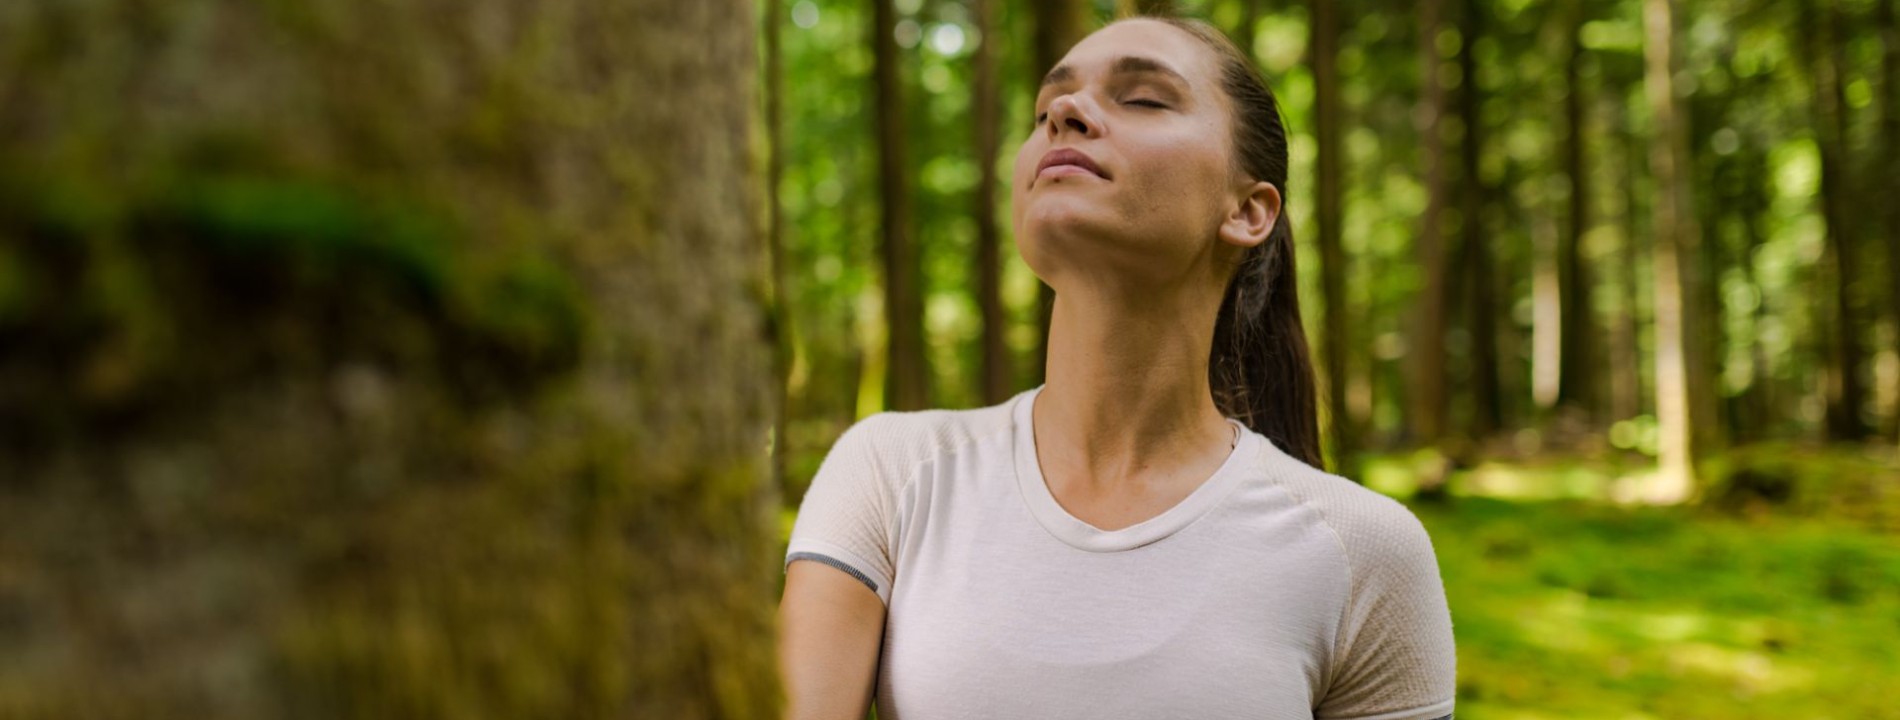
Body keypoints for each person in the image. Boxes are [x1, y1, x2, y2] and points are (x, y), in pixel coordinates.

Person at [777, 15, 1455, 720]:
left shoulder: (1364, 553)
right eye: (1045, 111)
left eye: (1144, 99)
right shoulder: (890, 475)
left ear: (1249, 211)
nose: (1065, 114)